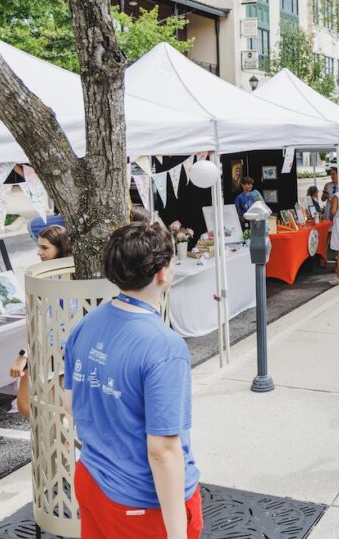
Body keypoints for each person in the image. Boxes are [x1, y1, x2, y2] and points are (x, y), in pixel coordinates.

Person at [64, 221, 202, 539]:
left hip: (93, 478)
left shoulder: (87, 324)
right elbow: (163, 451)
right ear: (162, 273)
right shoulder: (164, 346)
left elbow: (71, 404)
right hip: (142, 501)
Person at [10, 224, 72, 418]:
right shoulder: (46, 276)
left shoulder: (60, 281)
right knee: (27, 405)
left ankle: (63, 445)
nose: (39, 252)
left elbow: (46, 323)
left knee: (54, 411)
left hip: (55, 351)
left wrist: (23, 355)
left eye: (45, 248)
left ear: (60, 249)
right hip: (41, 349)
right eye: (39, 247)